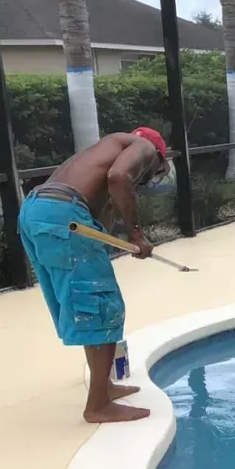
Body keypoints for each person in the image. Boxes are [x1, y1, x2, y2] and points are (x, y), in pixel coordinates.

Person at [19, 128, 170, 423]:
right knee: (103, 306)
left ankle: (106, 387)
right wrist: (137, 235)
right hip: (63, 214)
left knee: (88, 302)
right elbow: (119, 178)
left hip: (37, 210)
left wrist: (113, 243)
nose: (148, 175)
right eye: (157, 170)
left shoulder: (105, 149)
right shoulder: (144, 146)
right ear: (158, 155)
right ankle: (97, 405)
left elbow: (104, 209)